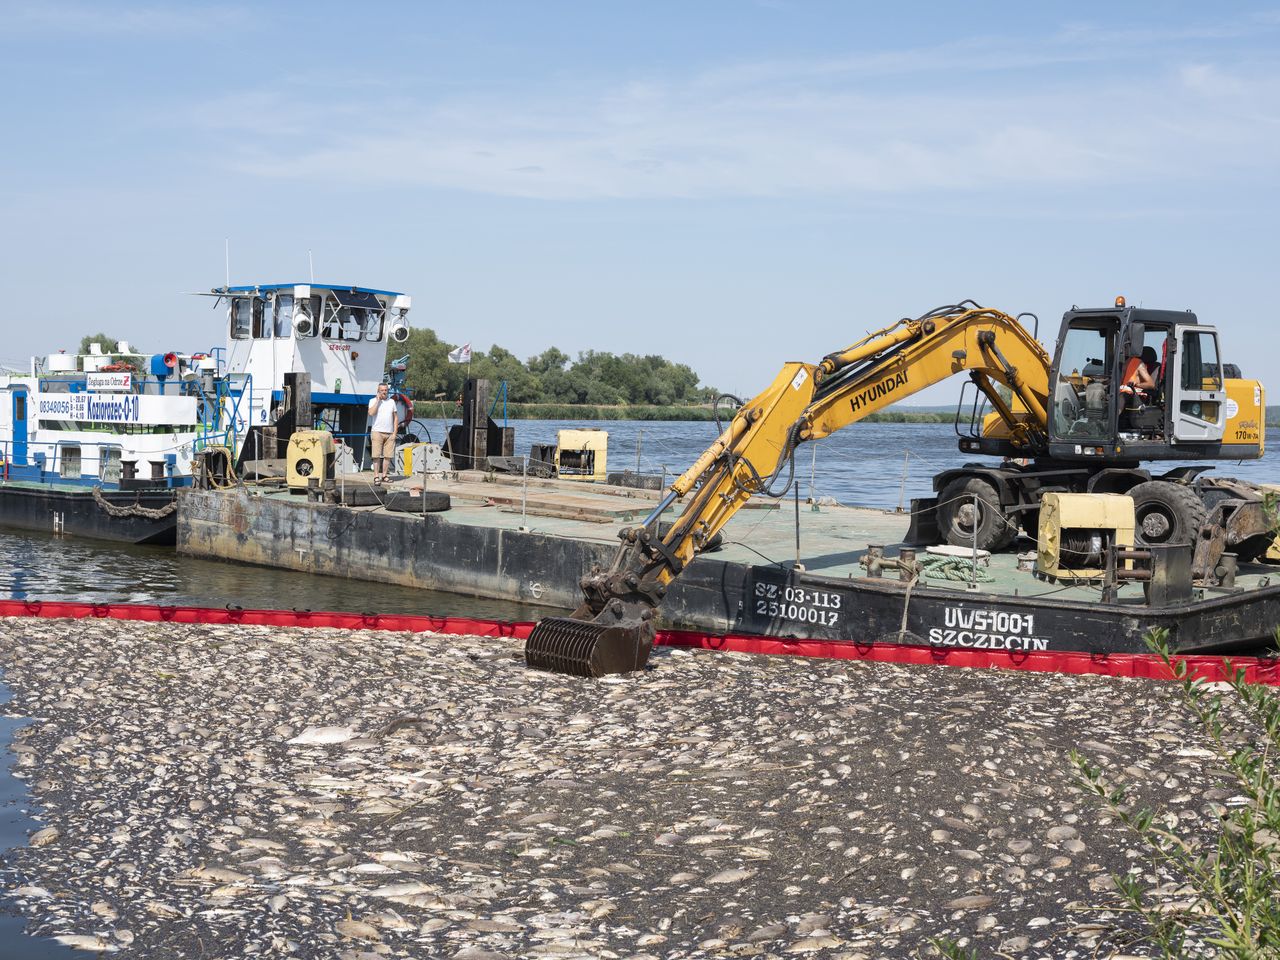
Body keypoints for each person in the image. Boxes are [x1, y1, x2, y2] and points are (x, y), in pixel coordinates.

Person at [367, 383, 399, 482]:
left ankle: (384, 475)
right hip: (377, 432)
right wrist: (378, 401)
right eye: (382, 390)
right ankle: (376, 476)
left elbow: (395, 418)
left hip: (389, 433)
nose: (384, 392)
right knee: (376, 455)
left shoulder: (392, 402)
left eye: (385, 390)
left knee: (388, 456)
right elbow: (371, 413)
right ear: (378, 391)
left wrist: (394, 433)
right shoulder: (372, 401)